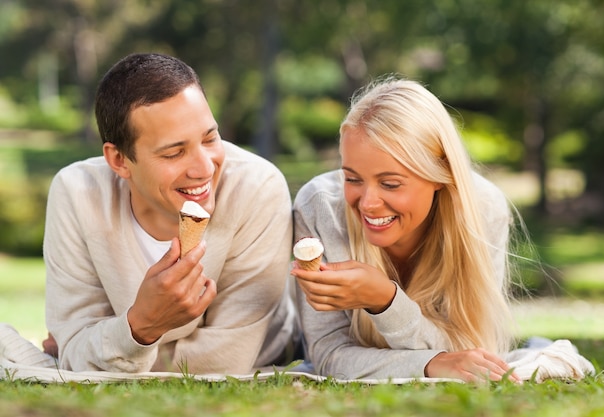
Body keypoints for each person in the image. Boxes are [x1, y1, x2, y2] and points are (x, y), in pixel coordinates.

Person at [42, 52, 297, 374]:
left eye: (210, 138)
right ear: (119, 160)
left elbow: (228, 361)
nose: (204, 168)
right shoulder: (77, 194)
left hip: (273, 353)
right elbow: (74, 346)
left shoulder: (256, 187)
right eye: (174, 153)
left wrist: (107, 350)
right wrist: (141, 325)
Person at [291, 76, 520, 383]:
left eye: (390, 184)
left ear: (441, 173)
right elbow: (328, 356)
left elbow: (473, 352)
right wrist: (432, 363)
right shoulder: (321, 208)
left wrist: (385, 301)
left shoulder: (482, 209)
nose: (368, 203)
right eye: (353, 179)